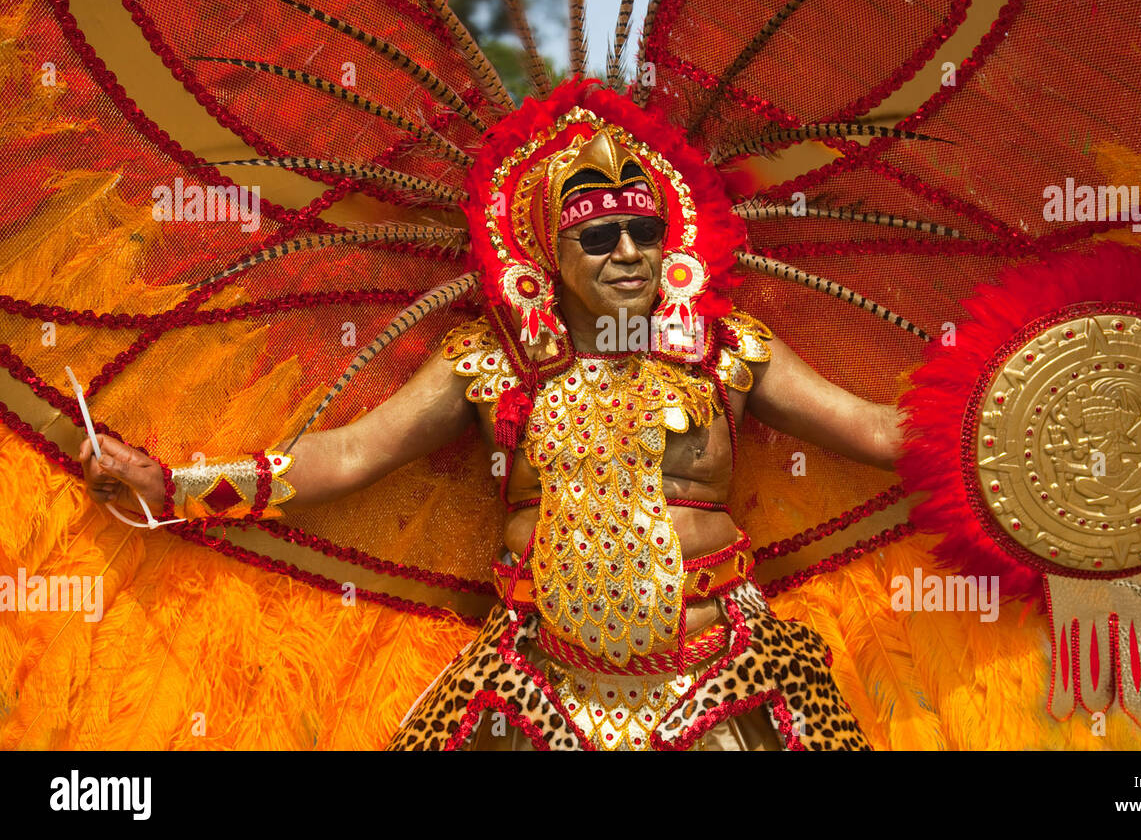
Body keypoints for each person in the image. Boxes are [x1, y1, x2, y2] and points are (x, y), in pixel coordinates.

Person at [80, 122, 899, 751]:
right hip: (533, 691)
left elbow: (873, 430)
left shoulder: (729, 349)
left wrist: (1004, 425)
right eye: (599, 236)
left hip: (724, 681)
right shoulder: (490, 360)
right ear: (547, 250)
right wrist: (177, 488)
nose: (628, 254)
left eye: (645, 234)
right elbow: (355, 452)